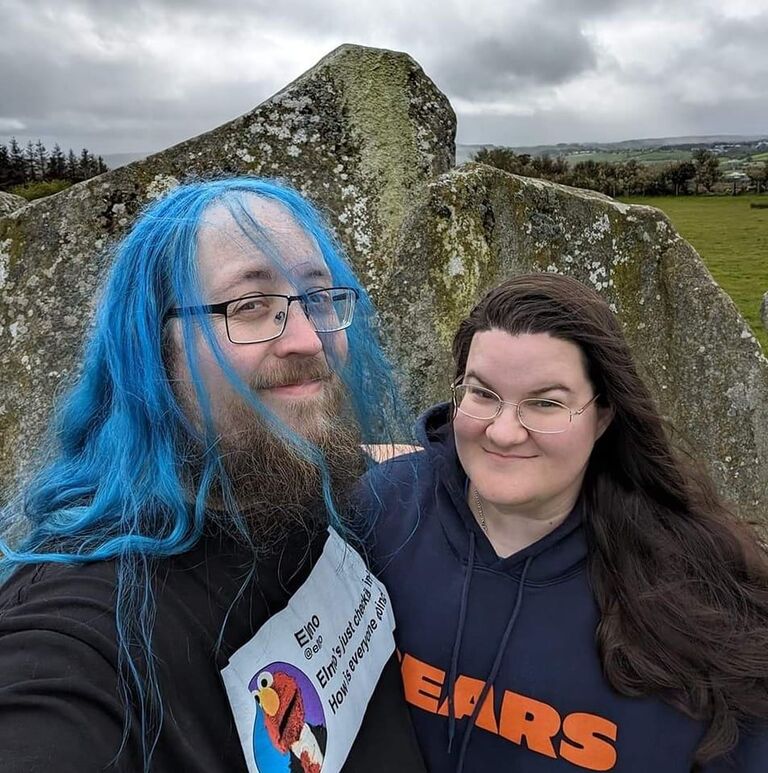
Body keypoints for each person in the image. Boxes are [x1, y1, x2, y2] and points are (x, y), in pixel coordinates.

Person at [0, 178, 425, 772]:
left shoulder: (299, 476)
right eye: (250, 307)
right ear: (155, 350)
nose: (308, 339)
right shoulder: (85, 629)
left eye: (319, 296)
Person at [358, 273, 768, 772]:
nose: (504, 432)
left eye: (546, 403)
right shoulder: (378, 514)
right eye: (482, 394)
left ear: (603, 415)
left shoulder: (700, 592)